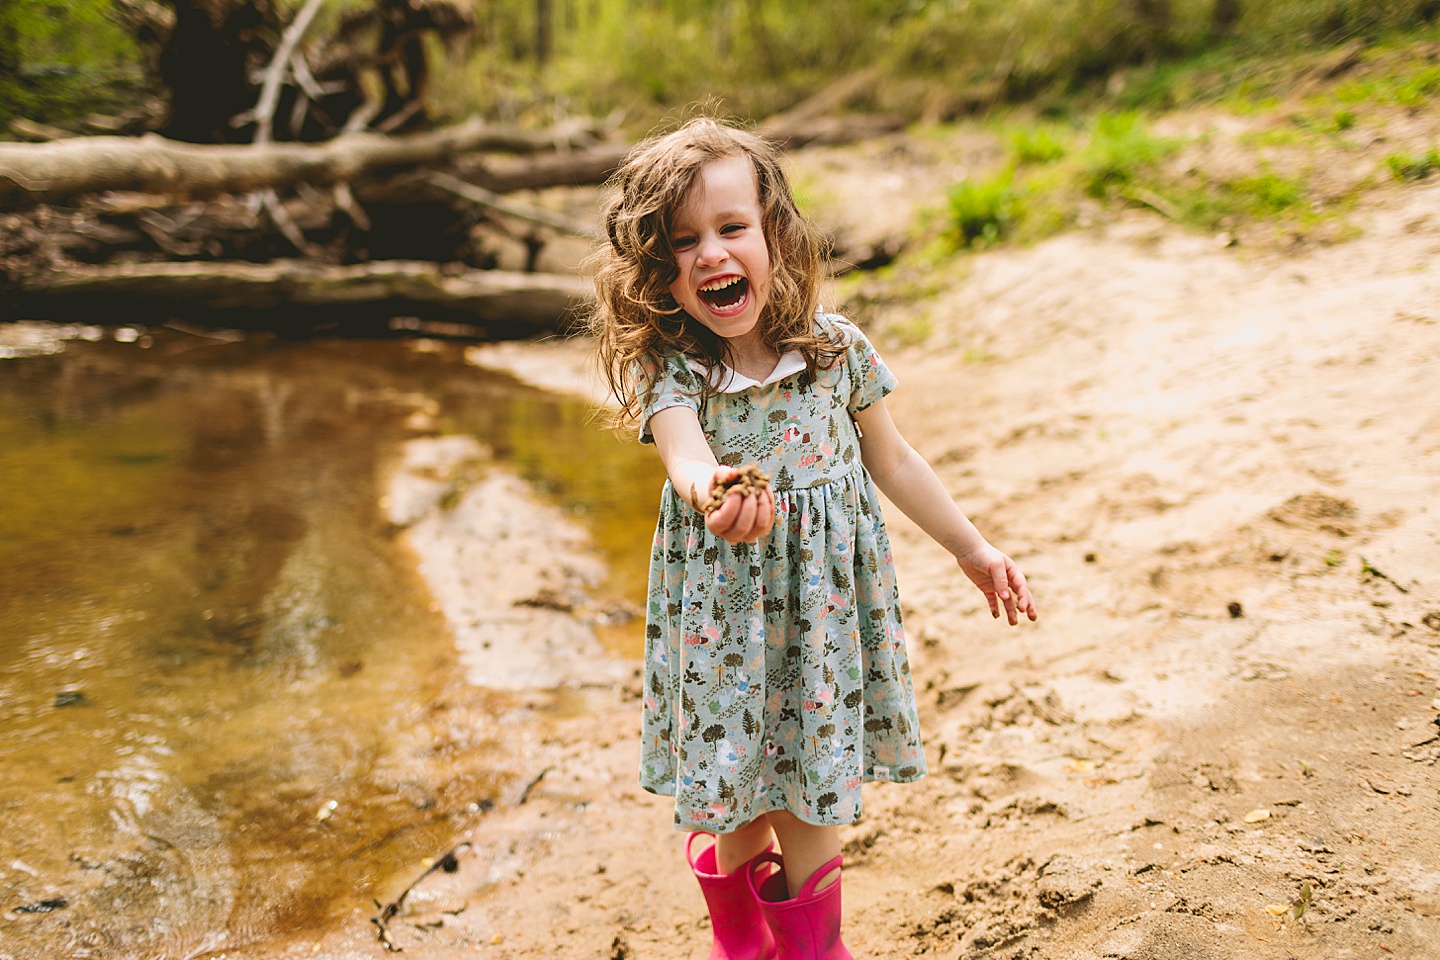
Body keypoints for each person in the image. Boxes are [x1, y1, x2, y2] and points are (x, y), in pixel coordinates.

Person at [588, 117, 1038, 960]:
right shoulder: (676, 374)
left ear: (776, 236)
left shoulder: (839, 353)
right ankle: (741, 940)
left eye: (731, 229)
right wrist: (714, 492)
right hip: (726, 626)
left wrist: (971, 549)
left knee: (813, 782)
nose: (712, 255)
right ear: (660, 274)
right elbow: (686, 456)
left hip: (824, 622)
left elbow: (895, 460)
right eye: (683, 243)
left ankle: (813, 948)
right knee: (742, 793)